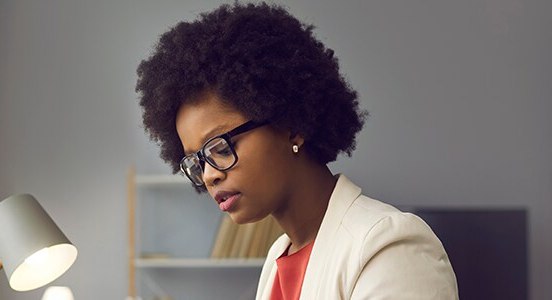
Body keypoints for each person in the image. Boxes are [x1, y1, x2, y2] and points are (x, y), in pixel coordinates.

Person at [135, 2, 458, 299]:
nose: (209, 175)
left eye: (220, 147)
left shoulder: (387, 246)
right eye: (197, 161)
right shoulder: (277, 260)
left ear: (290, 124)